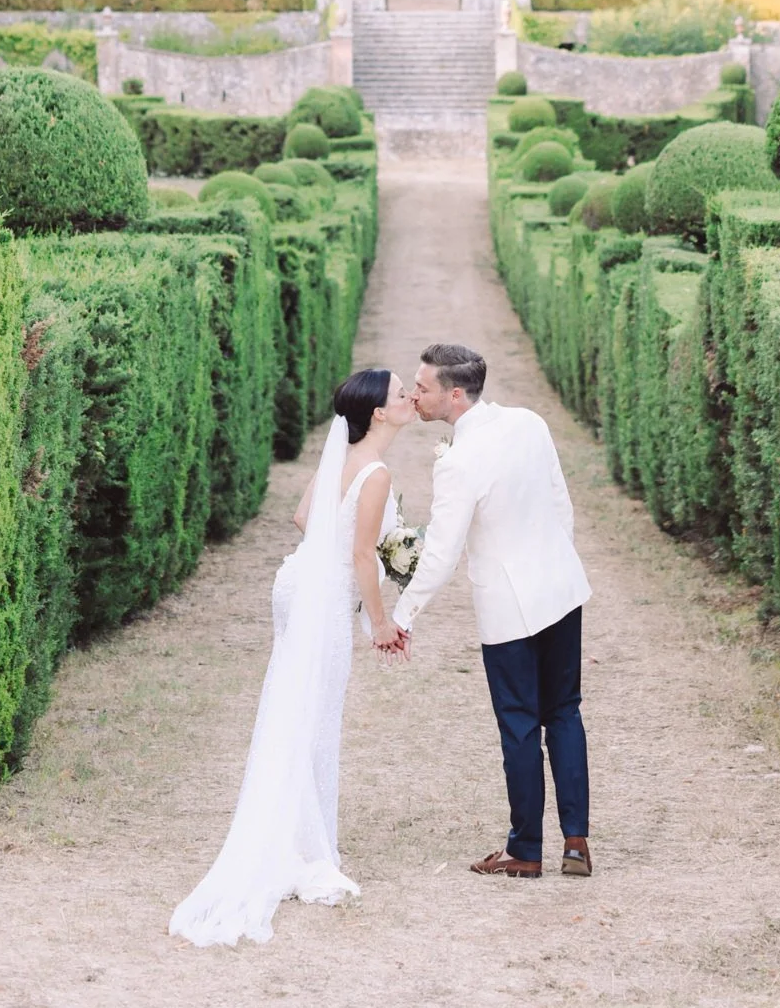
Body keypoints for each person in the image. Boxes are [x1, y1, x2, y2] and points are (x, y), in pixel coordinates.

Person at [169, 366, 415, 947]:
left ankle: (301, 836)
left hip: (293, 585)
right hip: (324, 596)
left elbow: (304, 519)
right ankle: (305, 849)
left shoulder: (343, 454)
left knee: (292, 707)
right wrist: (380, 621)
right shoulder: (376, 472)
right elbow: (359, 555)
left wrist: (357, 551)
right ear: (379, 412)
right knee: (315, 717)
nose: (409, 398)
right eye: (402, 393)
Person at [381, 342, 592, 881]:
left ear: (455, 394)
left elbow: (443, 554)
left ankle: (525, 850)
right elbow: (559, 501)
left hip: (508, 608)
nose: (415, 394)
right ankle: (575, 843)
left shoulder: (458, 462)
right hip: (562, 590)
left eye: (422, 387)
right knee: (564, 713)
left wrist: (402, 615)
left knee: (520, 727)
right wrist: (554, 562)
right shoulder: (529, 423)